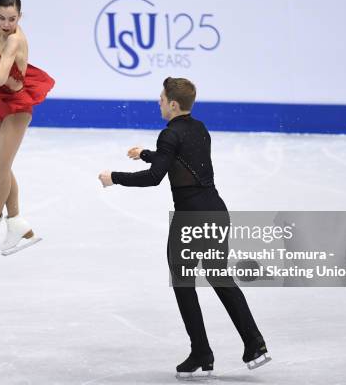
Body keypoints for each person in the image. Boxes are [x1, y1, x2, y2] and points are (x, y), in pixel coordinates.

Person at [98, 77, 270, 378]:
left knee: (183, 283)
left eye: (162, 99)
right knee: (219, 277)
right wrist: (146, 154)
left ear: (173, 104)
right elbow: (178, 158)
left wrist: (115, 177)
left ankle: (202, 352)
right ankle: (255, 344)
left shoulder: (169, 134)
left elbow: (155, 177)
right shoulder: (200, 128)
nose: (159, 102)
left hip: (190, 217)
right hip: (216, 212)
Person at [0, 0, 54, 255]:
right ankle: (19, 224)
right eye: (1, 18)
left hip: (17, 107)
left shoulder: (14, 40)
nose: (6, 24)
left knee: (1, 168)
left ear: (20, 17)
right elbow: (0, 81)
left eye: (11, 19)